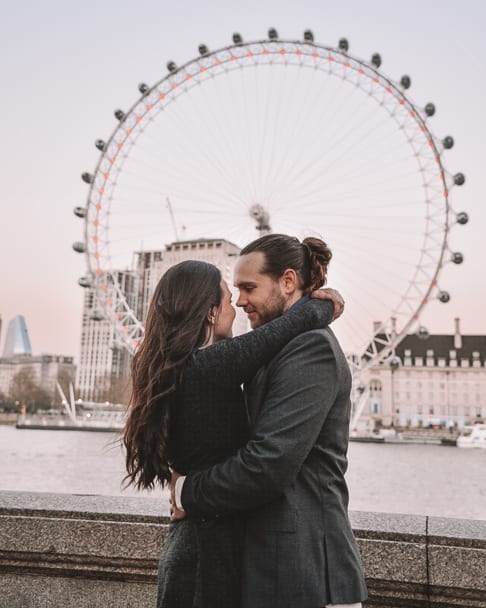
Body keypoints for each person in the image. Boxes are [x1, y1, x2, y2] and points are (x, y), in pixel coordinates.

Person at [121, 258, 342, 608]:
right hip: (207, 557)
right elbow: (288, 327)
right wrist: (323, 303)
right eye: (226, 298)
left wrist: (182, 490)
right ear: (209, 312)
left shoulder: (172, 368)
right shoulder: (208, 366)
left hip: (191, 545)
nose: (235, 306)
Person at [173, 234, 368, 608]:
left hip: (307, 572)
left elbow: (268, 464)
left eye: (249, 288)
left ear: (288, 282)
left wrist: (185, 491)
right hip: (280, 569)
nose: (241, 300)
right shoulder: (278, 348)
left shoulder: (312, 349)